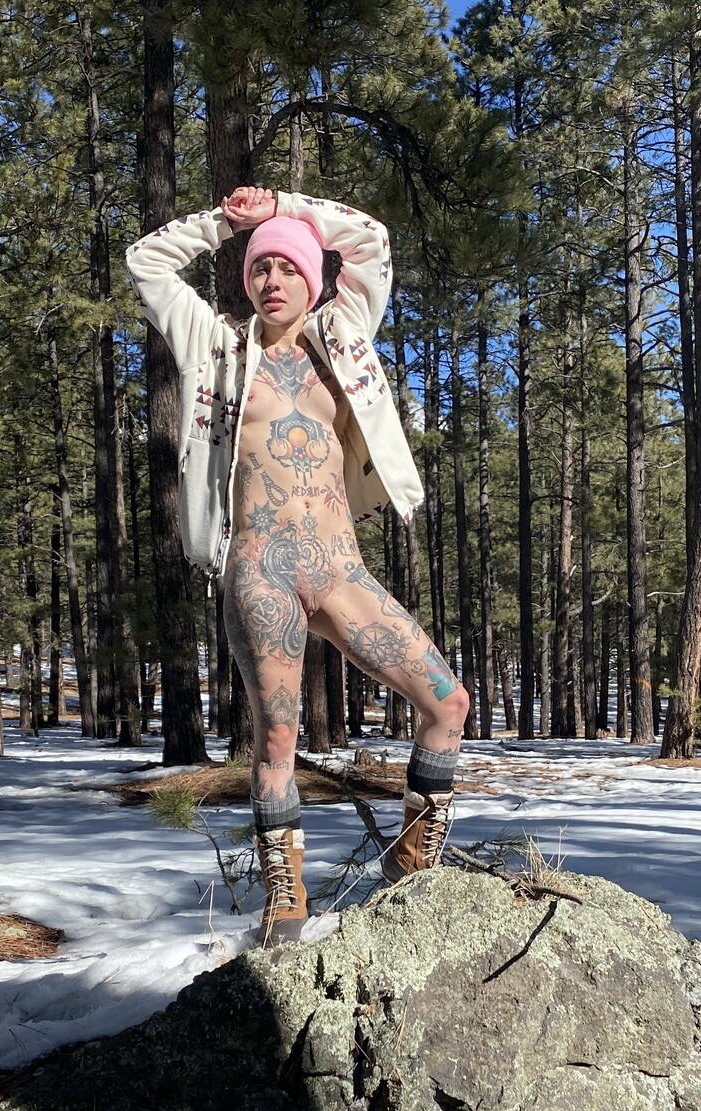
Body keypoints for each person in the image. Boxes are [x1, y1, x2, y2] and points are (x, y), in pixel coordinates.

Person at [125, 185, 470, 942]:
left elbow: (372, 238)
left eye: (288, 266)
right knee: (278, 739)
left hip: (340, 568)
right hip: (261, 571)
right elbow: (146, 262)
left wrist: (285, 208)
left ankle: (414, 862)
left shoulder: (342, 335)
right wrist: (228, 223)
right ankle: (285, 899)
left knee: (448, 703)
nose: (272, 279)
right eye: (260, 266)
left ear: (313, 278)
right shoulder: (214, 345)